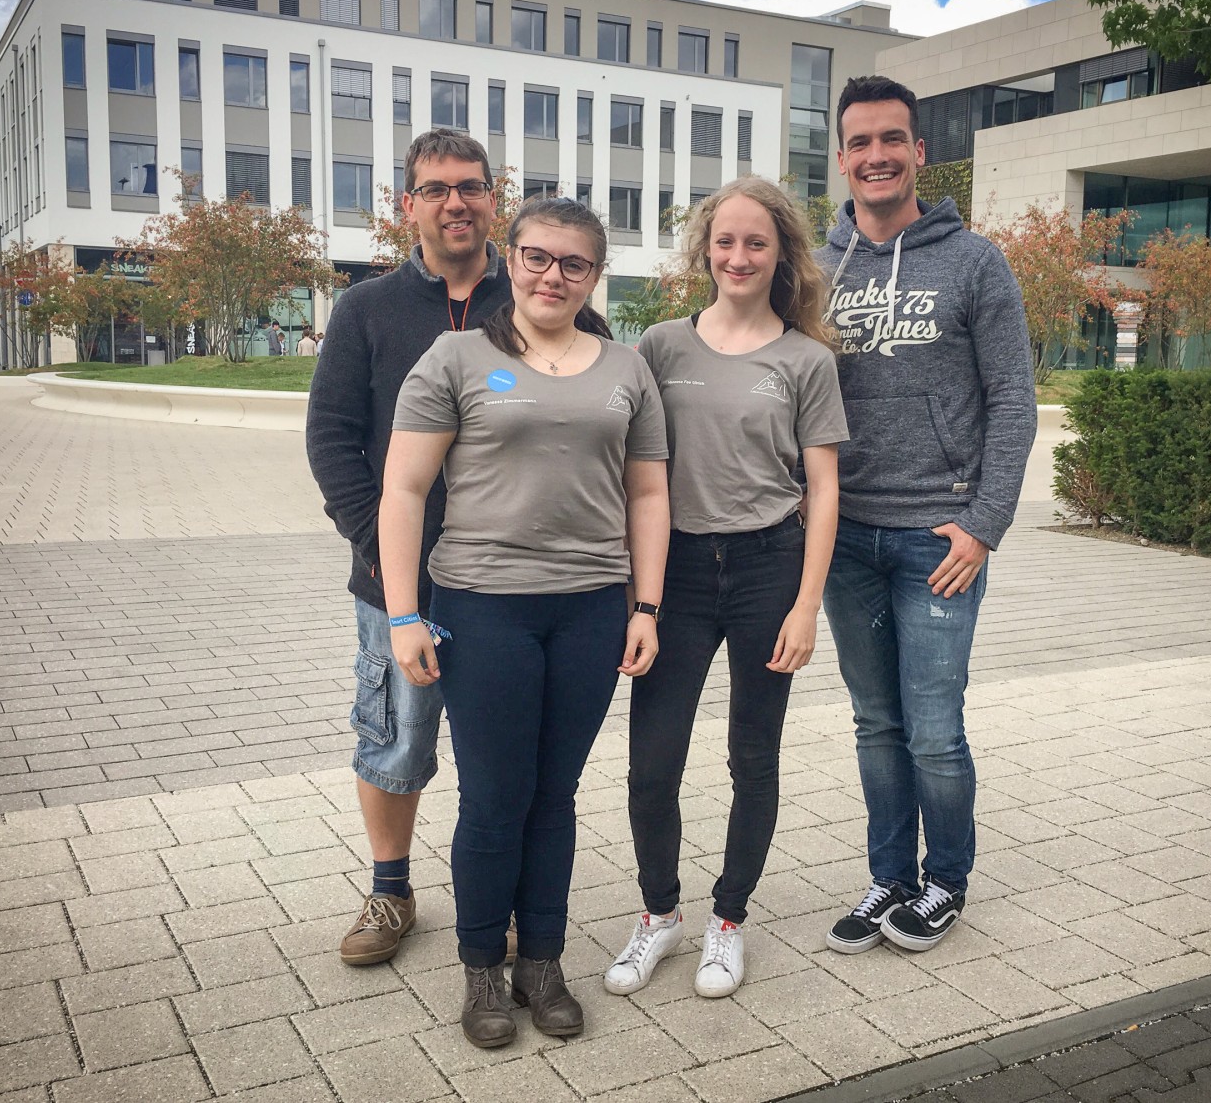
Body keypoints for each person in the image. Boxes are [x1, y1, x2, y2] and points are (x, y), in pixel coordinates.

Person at [380, 196, 670, 1048]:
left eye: (573, 263)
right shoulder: (457, 357)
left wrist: (646, 605)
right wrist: (404, 614)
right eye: (538, 257)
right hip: (483, 606)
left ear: (595, 275)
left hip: (589, 608)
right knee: (493, 798)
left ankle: (542, 961)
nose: (553, 275)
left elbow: (650, 495)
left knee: (555, 795)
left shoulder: (626, 369)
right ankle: (482, 969)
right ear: (511, 260)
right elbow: (404, 490)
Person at [603, 177, 847, 1000]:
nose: (738, 256)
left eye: (756, 243)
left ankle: (729, 920)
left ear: (782, 255)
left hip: (768, 568)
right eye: (725, 241)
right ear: (705, 250)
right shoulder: (661, 347)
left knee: (753, 755)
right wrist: (634, 594)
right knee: (651, 763)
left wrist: (806, 606)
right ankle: (660, 913)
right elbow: (633, 470)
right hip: (674, 572)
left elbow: (824, 489)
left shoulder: (807, 359)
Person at [816, 76, 1036, 955]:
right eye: (860, 142)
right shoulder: (817, 270)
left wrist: (984, 525)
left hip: (939, 538)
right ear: (842, 157)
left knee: (935, 728)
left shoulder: (975, 262)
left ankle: (946, 879)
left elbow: (1013, 399)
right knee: (876, 722)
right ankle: (889, 878)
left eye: (891, 140)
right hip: (844, 540)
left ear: (918, 151)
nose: (876, 156)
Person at [306, 130, 512, 969]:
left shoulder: (536, 293)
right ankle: (391, 892)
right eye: (436, 189)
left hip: (508, 582)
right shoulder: (367, 309)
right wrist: (383, 547)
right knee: (393, 741)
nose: (455, 202)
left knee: (503, 752)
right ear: (408, 205)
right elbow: (331, 439)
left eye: (470, 186)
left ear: (494, 197)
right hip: (396, 589)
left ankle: (497, 897)